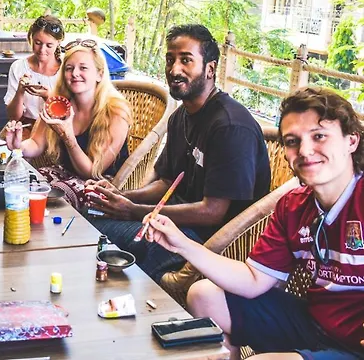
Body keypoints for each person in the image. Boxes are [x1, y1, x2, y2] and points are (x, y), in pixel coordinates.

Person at [145, 87, 364, 359]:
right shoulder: (293, 207)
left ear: (351, 141)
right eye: (292, 141)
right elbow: (254, 279)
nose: (305, 151)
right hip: (316, 325)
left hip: (355, 346)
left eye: (319, 136)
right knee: (203, 294)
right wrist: (181, 244)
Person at [86, 24, 270, 282]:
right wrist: (120, 197)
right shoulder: (181, 116)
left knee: (105, 238)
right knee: (89, 216)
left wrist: (134, 211)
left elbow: (213, 212)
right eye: (170, 60)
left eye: (186, 60)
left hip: (210, 243)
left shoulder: (230, 126)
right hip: (172, 223)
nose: (174, 69)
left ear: (210, 69)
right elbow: (166, 182)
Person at [5, 39, 131, 206]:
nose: (75, 73)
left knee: (53, 196)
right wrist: (18, 146)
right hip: (65, 174)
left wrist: (68, 137)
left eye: (83, 68)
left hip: (102, 183)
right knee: (22, 184)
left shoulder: (115, 111)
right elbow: (36, 143)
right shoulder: (58, 103)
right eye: (69, 68)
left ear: (99, 74)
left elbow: (92, 173)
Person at [4, 15, 64, 133]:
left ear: (58, 42)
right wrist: (20, 91)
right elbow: (13, 116)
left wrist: (48, 96)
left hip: (57, 129)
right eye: (37, 43)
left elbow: (69, 113)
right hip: (25, 128)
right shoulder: (18, 67)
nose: (42, 50)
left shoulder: (67, 67)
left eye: (49, 45)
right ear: (30, 39)